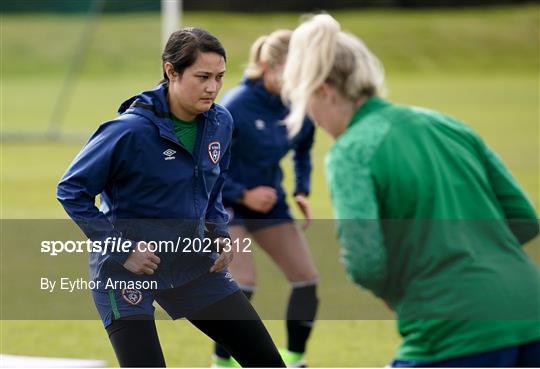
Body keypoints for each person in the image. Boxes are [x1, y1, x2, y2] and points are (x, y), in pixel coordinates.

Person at [281, 14, 540, 368]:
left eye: (307, 101)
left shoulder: (351, 150)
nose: (310, 115)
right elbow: (524, 219)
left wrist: (412, 287)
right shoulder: (447, 124)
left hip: (453, 328)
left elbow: (366, 263)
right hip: (531, 309)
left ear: (325, 90)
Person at [57, 27, 285, 368]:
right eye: (202, 76)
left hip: (192, 264)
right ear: (171, 71)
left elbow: (214, 184)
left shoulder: (221, 121)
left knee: (267, 362)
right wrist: (122, 249)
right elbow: (70, 190)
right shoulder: (128, 131)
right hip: (126, 271)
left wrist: (218, 231)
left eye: (220, 77)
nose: (212, 88)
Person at [210, 30, 319, 368]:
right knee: (242, 284)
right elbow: (207, 168)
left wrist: (301, 188)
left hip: (270, 204)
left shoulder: (296, 105)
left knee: (306, 281)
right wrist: (243, 193)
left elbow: (303, 146)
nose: (296, 80)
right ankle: (222, 363)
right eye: (290, 71)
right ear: (266, 66)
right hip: (226, 204)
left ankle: (294, 359)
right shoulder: (235, 106)